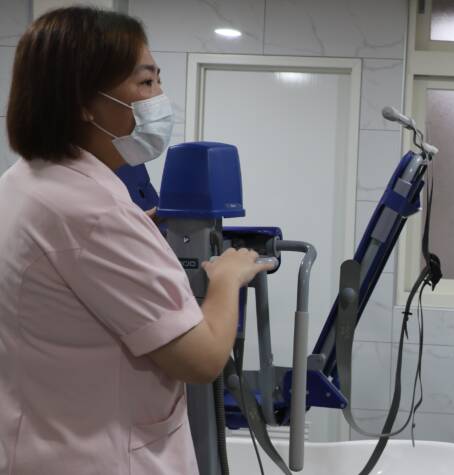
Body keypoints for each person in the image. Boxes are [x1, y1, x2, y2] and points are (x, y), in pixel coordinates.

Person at [0, 7, 272, 474]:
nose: (159, 98)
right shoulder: (94, 216)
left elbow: (70, 265)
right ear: (83, 101)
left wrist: (133, 233)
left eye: (158, 80)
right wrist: (228, 278)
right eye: (145, 83)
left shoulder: (23, 182)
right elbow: (203, 359)